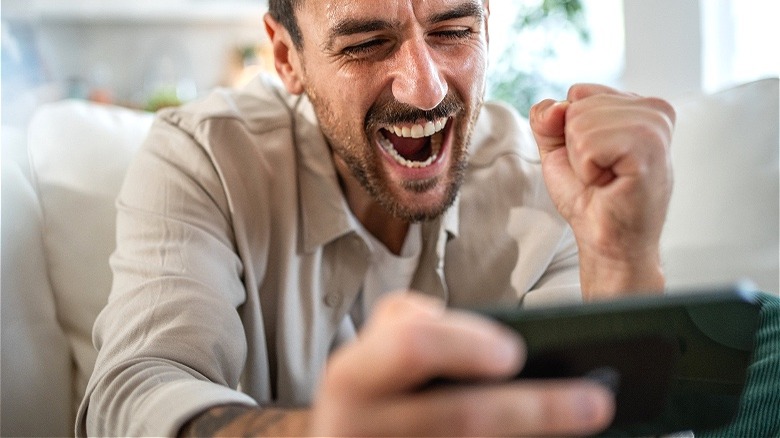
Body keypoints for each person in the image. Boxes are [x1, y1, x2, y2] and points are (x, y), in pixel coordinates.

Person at [76, 0, 676, 436]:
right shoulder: (205, 157)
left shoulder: (552, 182)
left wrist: (623, 262)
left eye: (453, 30)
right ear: (288, 57)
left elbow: (598, 411)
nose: (425, 88)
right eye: (365, 43)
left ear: (488, 26)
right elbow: (134, 390)